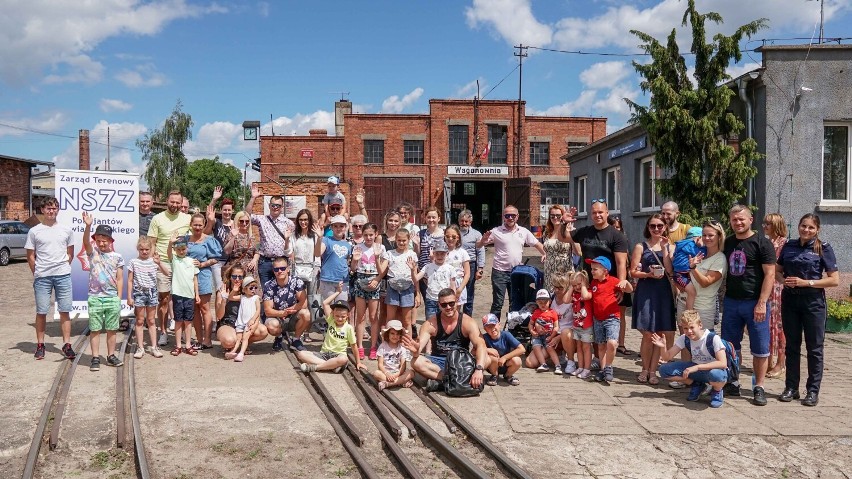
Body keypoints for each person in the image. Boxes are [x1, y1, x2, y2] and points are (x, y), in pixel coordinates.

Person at [777, 213, 840, 407]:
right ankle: (791, 388)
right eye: (804, 226)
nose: (806, 230)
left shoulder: (823, 248)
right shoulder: (789, 246)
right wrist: (783, 281)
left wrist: (807, 283)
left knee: (814, 349)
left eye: (811, 227)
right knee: (792, 346)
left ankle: (812, 391)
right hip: (790, 301)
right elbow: (778, 271)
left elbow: (834, 279)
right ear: (798, 226)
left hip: (813, 303)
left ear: (817, 230)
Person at [722, 204, 776, 406]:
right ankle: (733, 382)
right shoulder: (728, 243)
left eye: (741, 219)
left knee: (760, 347)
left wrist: (762, 302)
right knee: (730, 345)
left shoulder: (763, 243)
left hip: (755, 303)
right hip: (732, 301)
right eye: (734, 220)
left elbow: (770, 274)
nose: (738, 223)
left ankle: (758, 387)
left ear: (751, 219)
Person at [571, 200, 631, 359]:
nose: (597, 215)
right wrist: (565, 222)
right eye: (594, 212)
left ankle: (602, 359)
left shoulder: (616, 235)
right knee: (589, 320)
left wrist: (620, 287)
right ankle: (594, 358)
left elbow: (621, 263)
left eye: (600, 212)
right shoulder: (585, 231)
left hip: (607, 285)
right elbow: (564, 237)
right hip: (587, 284)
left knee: (602, 320)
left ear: (607, 213)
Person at [402, 288, 490, 391]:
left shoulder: (468, 322)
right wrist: (416, 350)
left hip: (461, 362)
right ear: (439, 305)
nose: (448, 307)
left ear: (456, 302)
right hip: (439, 363)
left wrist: (479, 369)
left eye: (451, 303)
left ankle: (444, 383)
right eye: (444, 305)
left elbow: (481, 344)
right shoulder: (430, 324)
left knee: (487, 359)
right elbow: (417, 350)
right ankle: (458, 381)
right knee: (415, 362)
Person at [26, 197, 76, 360]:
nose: (51, 211)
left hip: (63, 275)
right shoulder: (34, 231)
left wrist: (63, 267)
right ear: (42, 210)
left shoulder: (66, 230)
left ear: (58, 210)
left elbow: (70, 253)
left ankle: (67, 345)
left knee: (65, 310)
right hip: (43, 277)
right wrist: (38, 272)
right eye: (48, 208)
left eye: (54, 208)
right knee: (41, 311)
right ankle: (40, 345)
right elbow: (30, 256)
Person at [477, 205, 546, 316]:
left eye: (513, 215)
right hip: (499, 272)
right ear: (504, 217)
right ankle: (493, 329)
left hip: (516, 272)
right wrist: (483, 240)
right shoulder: (496, 231)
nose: (510, 218)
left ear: (517, 217)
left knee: (515, 302)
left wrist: (545, 254)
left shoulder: (523, 231)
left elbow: (537, 244)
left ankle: (512, 327)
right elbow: (479, 245)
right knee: (497, 303)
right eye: (507, 215)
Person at [630, 214, 676, 385]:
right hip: (646, 290)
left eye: (659, 226)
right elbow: (632, 271)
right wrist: (647, 274)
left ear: (665, 227)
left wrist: (665, 250)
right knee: (648, 333)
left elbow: (670, 271)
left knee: (660, 333)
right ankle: (644, 368)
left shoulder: (670, 246)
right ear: (648, 227)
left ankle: (653, 370)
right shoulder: (640, 246)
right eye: (652, 226)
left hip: (663, 291)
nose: (656, 229)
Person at [653, 310, 728, 408]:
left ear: (700, 325)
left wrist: (697, 367)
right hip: (696, 369)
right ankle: (697, 385)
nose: (689, 331)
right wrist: (663, 347)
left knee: (715, 375)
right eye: (685, 328)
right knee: (664, 370)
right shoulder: (684, 338)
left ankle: (717, 391)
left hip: (713, 370)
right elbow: (667, 357)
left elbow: (723, 363)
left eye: (692, 327)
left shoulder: (713, 338)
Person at [147, 190, 191, 347]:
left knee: (185, 298)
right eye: (172, 202)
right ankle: (163, 332)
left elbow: (197, 236)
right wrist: (153, 262)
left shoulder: (187, 218)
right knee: (164, 299)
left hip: (181, 263)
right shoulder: (157, 219)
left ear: (182, 203)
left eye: (178, 202)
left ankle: (185, 333)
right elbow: (151, 242)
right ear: (167, 201)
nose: (175, 205)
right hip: (163, 263)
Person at [81, 214, 125, 371]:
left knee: (112, 329)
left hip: (112, 298)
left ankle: (111, 355)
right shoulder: (93, 253)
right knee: (95, 329)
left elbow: (120, 278)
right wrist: (88, 226)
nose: (101, 243)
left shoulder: (118, 257)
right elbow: (86, 242)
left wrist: (119, 298)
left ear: (111, 241)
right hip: (95, 298)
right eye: (98, 240)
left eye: (105, 240)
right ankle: (94, 357)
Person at [296, 284, 367, 374]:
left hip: (338, 355)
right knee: (301, 354)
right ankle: (331, 366)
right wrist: (338, 292)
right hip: (324, 354)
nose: (339, 318)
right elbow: (325, 303)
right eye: (337, 316)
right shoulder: (331, 320)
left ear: (347, 315)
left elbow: (354, 346)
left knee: (344, 359)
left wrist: (358, 362)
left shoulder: (348, 328)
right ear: (333, 314)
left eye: (343, 316)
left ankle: (317, 367)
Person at [588, 256, 633, 383]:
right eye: (592, 269)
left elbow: (629, 289)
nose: (592, 271)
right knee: (601, 346)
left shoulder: (613, 281)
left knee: (612, 343)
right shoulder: (593, 283)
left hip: (612, 317)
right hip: (598, 319)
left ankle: (608, 366)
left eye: (595, 269)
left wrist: (626, 283)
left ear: (605, 271)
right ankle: (603, 370)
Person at [246, 183, 294, 290]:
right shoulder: (262, 219)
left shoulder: (289, 223)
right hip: (265, 262)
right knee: (267, 292)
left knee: (282, 291)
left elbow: (292, 244)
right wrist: (253, 198)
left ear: (282, 207)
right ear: (269, 206)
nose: (275, 207)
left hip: (281, 262)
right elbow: (246, 215)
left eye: (278, 205)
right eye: (273, 205)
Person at [351, 223, 387, 360]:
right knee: (360, 316)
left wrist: (377, 258)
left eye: (371, 234)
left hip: (374, 281)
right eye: (365, 235)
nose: (368, 237)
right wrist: (354, 260)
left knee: (373, 316)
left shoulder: (380, 248)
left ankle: (372, 346)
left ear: (376, 234)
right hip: (360, 280)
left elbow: (381, 271)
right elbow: (353, 269)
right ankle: (359, 346)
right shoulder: (358, 247)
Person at [187, 212, 222, 350]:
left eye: (200, 225)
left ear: (204, 225)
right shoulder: (185, 239)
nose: (197, 227)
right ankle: (199, 339)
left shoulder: (209, 240)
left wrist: (203, 264)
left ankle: (207, 340)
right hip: (188, 277)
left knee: (204, 308)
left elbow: (216, 258)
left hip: (203, 275)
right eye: (195, 224)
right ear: (191, 225)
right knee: (194, 309)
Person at [684, 221, 727, 331]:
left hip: (704, 308)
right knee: (687, 342)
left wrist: (693, 268)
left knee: (704, 343)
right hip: (688, 304)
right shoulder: (700, 254)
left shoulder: (720, 258)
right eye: (704, 235)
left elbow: (705, 282)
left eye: (711, 235)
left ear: (719, 236)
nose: (707, 238)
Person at [216, 265, 269, 353]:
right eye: (234, 276)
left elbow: (257, 311)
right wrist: (224, 300)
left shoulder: (248, 290)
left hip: (245, 323)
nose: (237, 279)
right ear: (230, 277)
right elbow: (219, 316)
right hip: (228, 323)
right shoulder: (223, 291)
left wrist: (255, 324)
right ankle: (233, 344)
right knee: (229, 341)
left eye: (240, 277)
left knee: (263, 331)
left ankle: (243, 343)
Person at [127, 236, 164, 359]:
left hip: (152, 292)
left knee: (152, 320)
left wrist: (159, 263)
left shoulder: (154, 261)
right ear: (138, 249)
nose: (144, 252)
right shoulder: (133, 262)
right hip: (139, 293)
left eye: (147, 249)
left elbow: (167, 273)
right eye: (142, 249)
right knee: (139, 320)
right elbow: (130, 280)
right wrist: (129, 296)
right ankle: (140, 347)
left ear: (150, 249)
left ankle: (154, 347)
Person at [262, 257, 310, 351]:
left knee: (306, 314)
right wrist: (282, 313)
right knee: (272, 326)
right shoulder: (268, 285)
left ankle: (296, 339)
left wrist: (288, 311)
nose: (280, 271)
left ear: (288, 269)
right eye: (276, 269)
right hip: (277, 316)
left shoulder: (297, 282)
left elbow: (303, 303)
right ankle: (279, 336)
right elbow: (267, 311)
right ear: (273, 271)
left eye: (283, 268)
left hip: (293, 314)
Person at [763, 213, 788, 379]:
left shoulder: (785, 244)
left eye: (769, 224)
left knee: (779, 326)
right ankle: (768, 360)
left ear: (777, 225)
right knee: (767, 325)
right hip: (766, 288)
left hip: (779, 288)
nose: (765, 226)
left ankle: (781, 362)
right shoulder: (766, 242)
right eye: (765, 223)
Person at [166, 232, 200, 357]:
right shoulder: (174, 260)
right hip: (177, 295)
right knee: (179, 321)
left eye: (183, 249)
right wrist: (170, 242)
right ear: (175, 250)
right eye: (179, 249)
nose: (181, 251)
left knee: (188, 321)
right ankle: (178, 346)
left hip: (190, 295)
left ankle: (188, 345)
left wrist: (197, 294)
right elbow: (169, 253)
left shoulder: (192, 261)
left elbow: (195, 279)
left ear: (187, 249)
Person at [292, 208, 321, 342]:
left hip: (311, 269)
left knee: (311, 301)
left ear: (309, 221)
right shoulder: (294, 235)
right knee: (300, 301)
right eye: (301, 220)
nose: (303, 222)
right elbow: (290, 253)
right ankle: (297, 328)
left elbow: (317, 254)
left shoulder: (314, 235)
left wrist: (320, 238)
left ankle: (307, 332)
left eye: (306, 219)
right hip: (297, 269)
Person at [383, 229, 419, 335]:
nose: (402, 243)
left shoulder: (412, 254)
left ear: (408, 240)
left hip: (408, 288)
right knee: (390, 318)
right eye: (399, 240)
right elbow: (382, 270)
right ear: (395, 240)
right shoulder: (389, 254)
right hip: (392, 287)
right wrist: (377, 258)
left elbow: (415, 277)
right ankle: (387, 343)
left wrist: (418, 294)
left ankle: (407, 344)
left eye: (404, 240)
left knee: (407, 320)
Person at [409, 239, 455, 323]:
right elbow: (415, 279)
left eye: (442, 254)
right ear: (433, 254)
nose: (440, 256)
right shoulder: (428, 267)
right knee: (431, 322)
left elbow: (453, 286)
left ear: (447, 254)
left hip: (445, 301)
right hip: (431, 300)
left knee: (445, 322)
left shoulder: (450, 268)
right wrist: (412, 270)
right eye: (437, 253)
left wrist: (453, 300)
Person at [204, 186, 235, 299]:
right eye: (225, 210)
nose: (227, 212)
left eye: (229, 210)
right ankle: (219, 316)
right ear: (221, 210)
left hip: (231, 261)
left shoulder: (235, 224)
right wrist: (214, 199)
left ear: (232, 211)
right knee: (220, 290)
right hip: (217, 261)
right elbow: (209, 215)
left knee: (231, 289)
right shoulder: (217, 222)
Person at [315, 215, 353, 304]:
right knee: (328, 309)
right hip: (328, 280)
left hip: (342, 281)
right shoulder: (326, 240)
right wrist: (319, 239)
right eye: (335, 226)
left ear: (345, 227)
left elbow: (347, 261)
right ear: (331, 227)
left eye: (341, 226)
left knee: (341, 309)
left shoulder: (348, 244)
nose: (338, 229)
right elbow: (317, 253)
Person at [480, 313, 524, 386]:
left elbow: (522, 349)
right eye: (488, 327)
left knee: (517, 360)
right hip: (492, 366)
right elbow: (473, 351)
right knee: (492, 357)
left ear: (499, 324)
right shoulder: (484, 337)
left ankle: (508, 375)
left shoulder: (506, 335)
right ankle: (494, 375)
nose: (492, 329)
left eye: (493, 325)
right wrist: (487, 350)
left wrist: (504, 357)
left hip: (506, 363)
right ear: (485, 329)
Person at [225, 275, 261, 362]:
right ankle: (233, 352)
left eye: (255, 288)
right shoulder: (242, 297)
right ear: (244, 289)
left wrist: (253, 320)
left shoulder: (256, 298)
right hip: (240, 322)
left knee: (245, 337)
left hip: (249, 323)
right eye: (251, 288)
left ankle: (241, 353)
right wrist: (234, 291)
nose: (253, 290)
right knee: (238, 339)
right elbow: (230, 298)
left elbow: (258, 310)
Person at [372, 319, 414, 391]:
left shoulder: (402, 347)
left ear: (400, 335)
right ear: (387, 334)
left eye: (398, 334)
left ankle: (388, 384)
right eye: (392, 333)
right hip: (385, 372)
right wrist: (387, 373)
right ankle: (400, 382)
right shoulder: (382, 346)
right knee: (376, 373)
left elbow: (403, 365)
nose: (395, 336)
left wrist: (397, 374)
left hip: (398, 372)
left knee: (411, 372)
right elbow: (380, 364)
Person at [542, 204, 575, 290]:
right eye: (552, 216)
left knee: (563, 298)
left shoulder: (568, 230)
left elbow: (577, 252)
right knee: (550, 299)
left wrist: (572, 235)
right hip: (549, 270)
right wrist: (544, 254)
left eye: (558, 215)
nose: (555, 218)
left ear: (563, 216)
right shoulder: (547, 232)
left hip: (564, 270)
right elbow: (547, 248)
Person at [672, 226, 706, 310]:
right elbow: (702, 253)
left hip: (681, 273)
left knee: (688, 291)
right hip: (680, 275)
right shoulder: (690, 245)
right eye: (704, 240)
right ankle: (689, 314)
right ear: (699, 238)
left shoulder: (681, 244)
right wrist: (707, 248)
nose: (704, 243)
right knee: (692, 292)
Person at [458, 210, 485, 316]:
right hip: (456, 265)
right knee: (456, 290)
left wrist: (480, 268)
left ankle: (467, 317)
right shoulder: (454, 233)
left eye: (466, 221)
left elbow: (481, 251)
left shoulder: (477, 234)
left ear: (470, 222)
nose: (464, 223)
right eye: (462, 221)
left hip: (471, 265)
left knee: (469, 292)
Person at [414, 207, 445, 297]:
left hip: (440, 272)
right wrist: (416, 245)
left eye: (434, 217)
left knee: (441, 300)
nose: (431, 220)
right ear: (425, 218)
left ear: (439, 218)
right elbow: (418, 254)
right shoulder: (420, 233)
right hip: (424, 274)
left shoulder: (444, 234)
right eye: (429, 217)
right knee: (428, 302)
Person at [529, 289, 561, 374]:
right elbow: (531, 324)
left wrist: (552, 336)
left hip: (549, 335)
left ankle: (558, 366)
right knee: (536, 347)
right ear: (537, 302)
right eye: (540, 303)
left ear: (550, 301)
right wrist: (532, 331)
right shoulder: (536, 312)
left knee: (550, 348)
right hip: (537, 335)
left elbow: (556, 326)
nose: (543, 305)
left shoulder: (553, 313)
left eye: (545, 302)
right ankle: (543, 364)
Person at [569, 271, 593, 379]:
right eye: (574, 285)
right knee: (578, 347)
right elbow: (565, 300)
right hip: (576, 326)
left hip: (587, 327)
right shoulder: (574, 294)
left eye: (579, 284)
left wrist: (584, 285)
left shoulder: (588, 292)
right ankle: (580, 366)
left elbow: (586, 296)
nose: (577, 287)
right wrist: (570, 287)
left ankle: (587, 369)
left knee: (586, 347)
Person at [443, 225, 471, 314]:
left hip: (458, 284)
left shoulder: (462, 252)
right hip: (444, 283)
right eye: (447, 236)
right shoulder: (441, 252)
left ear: (458, 237)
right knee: (445, 310)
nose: (450, 239)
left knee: (455, 311)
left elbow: (467, 273)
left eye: (453, 237)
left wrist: (460, 289)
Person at [223, 211, 259, 275]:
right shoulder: (232, 234)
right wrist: (233, 237)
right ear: (237, 221)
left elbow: (256, 252)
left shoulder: (251, 236)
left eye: (247, 221)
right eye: (242, 221)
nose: (244, 224)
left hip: (250, 270)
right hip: (236, 270)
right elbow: (227, 251)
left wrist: (254, 260)